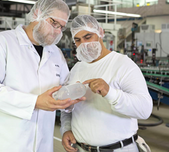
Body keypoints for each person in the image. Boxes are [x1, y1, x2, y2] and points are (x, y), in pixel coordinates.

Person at [0, 0, 85, 152]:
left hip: (43, 144)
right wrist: (35, 102)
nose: (57, 32)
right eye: (54, 23)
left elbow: (64, 87)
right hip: (6, 144)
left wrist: (70, 98)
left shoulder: (56, 53)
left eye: (61, 27)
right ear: (37, 14)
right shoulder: (1, 42)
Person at [61, 15, 153, 152]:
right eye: (78, 40)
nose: (83, 44)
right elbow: (67, 107)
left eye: (88, 37)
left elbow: (144, 109)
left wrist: (110, 92)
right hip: (81, 148)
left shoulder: (123, 64)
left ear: (101, 33)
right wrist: (66, 128)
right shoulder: (76, 69)